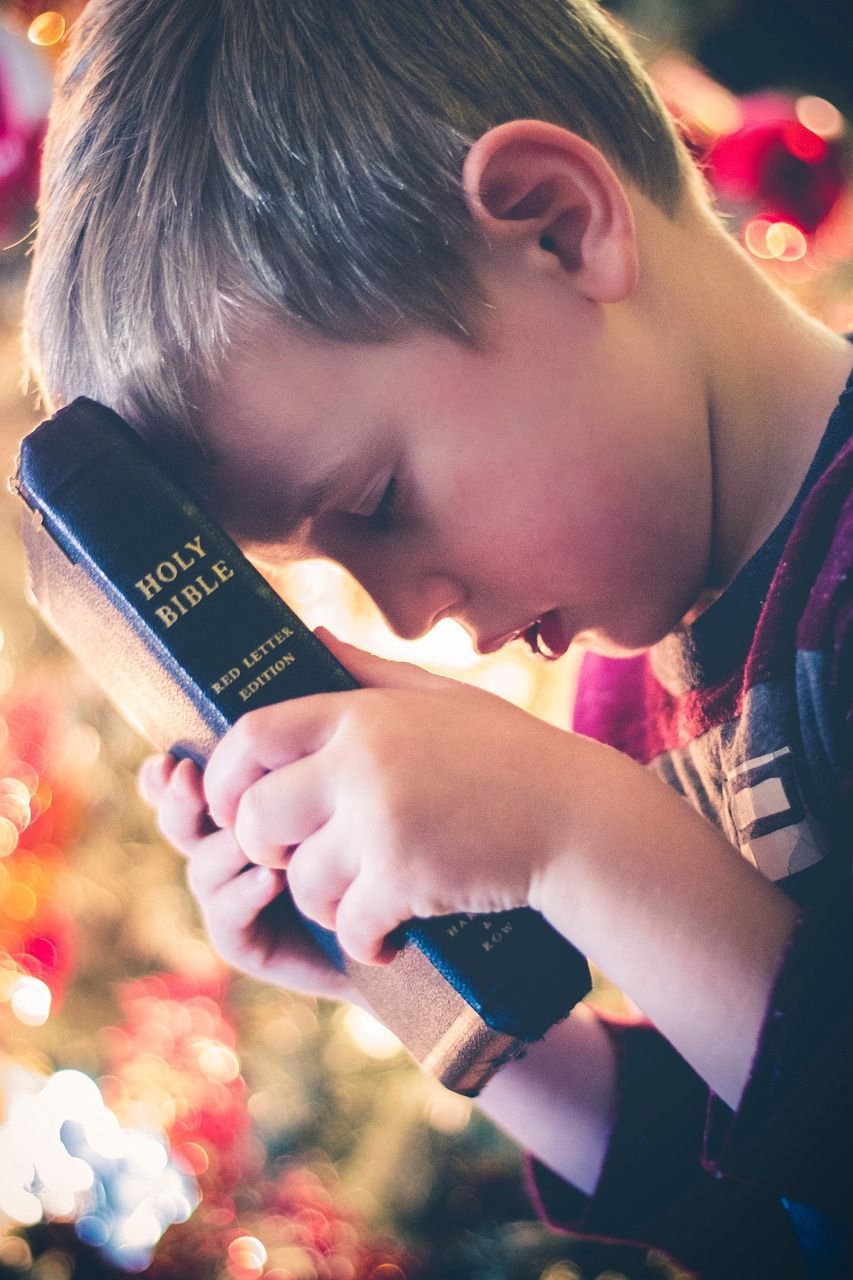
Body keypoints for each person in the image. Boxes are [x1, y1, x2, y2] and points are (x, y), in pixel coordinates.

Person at [23, 1, 852, 1276]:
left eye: (375, 504)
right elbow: (772, 1184)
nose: (409, 615)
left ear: (557, 224)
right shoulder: (630, 696)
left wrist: (574, 831)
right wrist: (402, 976)